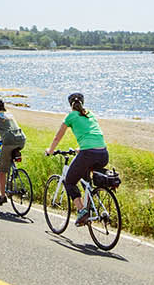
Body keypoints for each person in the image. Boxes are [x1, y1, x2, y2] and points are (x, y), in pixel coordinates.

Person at [45, 92, 108, 224]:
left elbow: (57, 137)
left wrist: (50, 151)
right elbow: (92, 134)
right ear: (82, 102)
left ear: (70, 104)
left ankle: (82, 211)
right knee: (86, 179)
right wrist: (80, 148)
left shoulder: (70, 116)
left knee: (69, 181)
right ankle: (91, 204)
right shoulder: (89, 113)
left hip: (88, 154)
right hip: (103, 153)